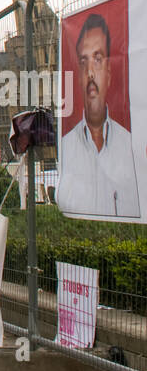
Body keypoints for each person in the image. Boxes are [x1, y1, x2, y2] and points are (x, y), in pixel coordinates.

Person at [57, 12, 140, 218]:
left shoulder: (131, 144)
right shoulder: (66, 146)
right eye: (84, 61)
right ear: (77, 75)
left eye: (98, 59)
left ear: (110, 72)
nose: (91, 73)